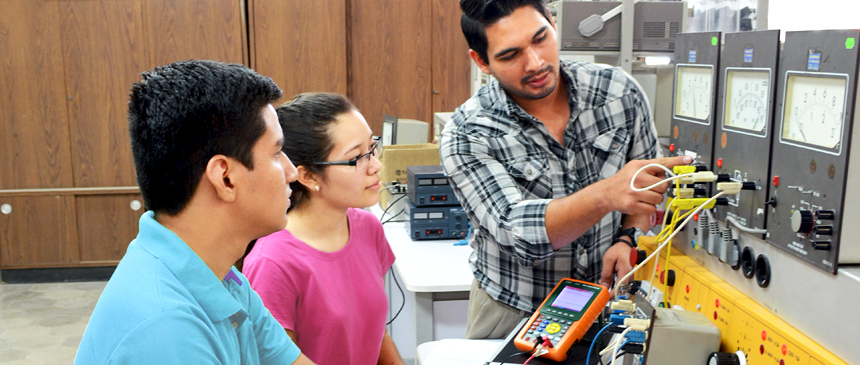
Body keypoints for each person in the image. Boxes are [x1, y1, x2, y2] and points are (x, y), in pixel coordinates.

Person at [440, 0, 693, 339]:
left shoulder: (618, 92)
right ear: (481, 62)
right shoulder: (468, 132)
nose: (536, 62)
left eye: (541, 38)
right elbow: (519, 235)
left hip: (606, 304)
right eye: (510, 55)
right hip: (512, 312)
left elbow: (650, 184)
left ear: (553, 25)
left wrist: (626, 237)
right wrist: (606, 195)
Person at [75, 60, 314, 364]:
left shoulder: (220, 275)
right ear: (225, 177)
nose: (292, 172)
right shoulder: (166, 332)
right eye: (276, 153)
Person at [242, 93, 404, 365]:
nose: (376, 166)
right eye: (357, 158)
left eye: (372, 148)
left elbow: (374, 332)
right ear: (307, 176)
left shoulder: (368, 227)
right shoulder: (273, 263)